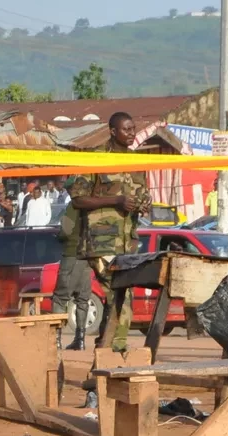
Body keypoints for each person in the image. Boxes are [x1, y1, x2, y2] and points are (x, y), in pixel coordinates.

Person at [55, 110, 149, 352]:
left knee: (119, 294)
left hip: (127, 243)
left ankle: (105, 345)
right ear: (113, 131)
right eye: (126, 129)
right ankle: (115, 347)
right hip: (101, 243)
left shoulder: (137, 161)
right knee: (120, 293)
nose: (131, 133)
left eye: (133, 128)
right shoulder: (95, 159)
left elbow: (142, 195)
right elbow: (78, 200)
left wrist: (144, 205)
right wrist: (115, 201)